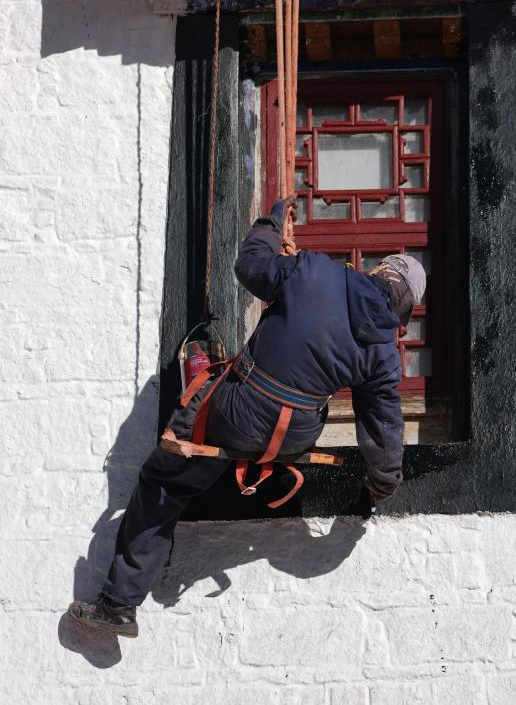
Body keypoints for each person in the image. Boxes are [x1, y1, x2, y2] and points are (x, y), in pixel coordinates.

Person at [68, 196, 427, 637]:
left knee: (163, 483)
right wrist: (382, 484)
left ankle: (119, 604)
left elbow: (251, 265)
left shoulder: (313, 270)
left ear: (376, 272)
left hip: (237, 414)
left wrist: (272, 222)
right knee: (258, 428)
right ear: (403, 306)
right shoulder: (384, 352)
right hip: (293, 439)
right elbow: (383, 425)